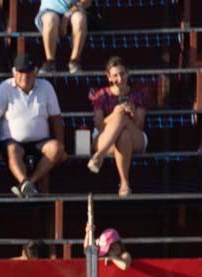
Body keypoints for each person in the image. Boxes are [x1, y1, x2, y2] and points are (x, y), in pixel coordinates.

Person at [0, 54, 66, 199]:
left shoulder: (46, 87)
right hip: (12, 141)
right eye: (21, 72)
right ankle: (25, 182)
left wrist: (62, 144)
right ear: (14, 72)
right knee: (13, 149)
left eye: (29, 72)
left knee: (57, 148)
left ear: (35, 72)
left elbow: (56, 118)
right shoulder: (4, 88)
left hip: (41, 141)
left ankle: (28, 183)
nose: (25, 76)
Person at [87, 56, 148, 196]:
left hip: (135, 137)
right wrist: (114, 115)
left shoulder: (138, 95)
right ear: (109, 77)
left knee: (125, 125)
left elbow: (139, 126)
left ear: (128, 73)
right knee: (123, 132)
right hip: (105, 136)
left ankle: (99, 157)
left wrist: (132, 113)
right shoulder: (101, 95)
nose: (119, 79)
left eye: (122, 73)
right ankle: (125, 183)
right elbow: (99, 125)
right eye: (115, 75)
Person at [37, 0, 92, 74]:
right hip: (48, 10)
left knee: (80, 19)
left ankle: (74, 61)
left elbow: (87, 2)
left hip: (73, 11)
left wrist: (68, 14)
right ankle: (50, 61)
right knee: (50, 19)